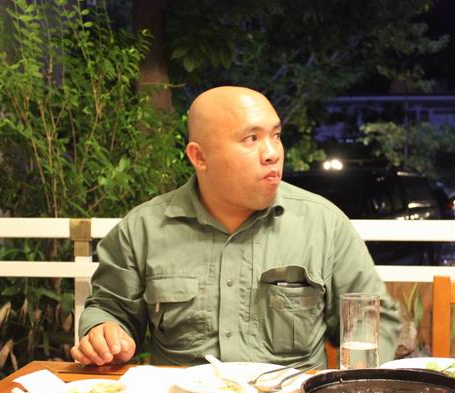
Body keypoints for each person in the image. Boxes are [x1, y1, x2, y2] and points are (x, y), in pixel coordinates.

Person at [71, 86, 401, 367]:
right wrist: (104, 332)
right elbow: (109, 310)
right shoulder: (143, 229)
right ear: (199, 157)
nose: (272, 153)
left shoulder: (324, 225)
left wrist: (348, 390)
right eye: (251, 138)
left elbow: (374, 321)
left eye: (276, 136)